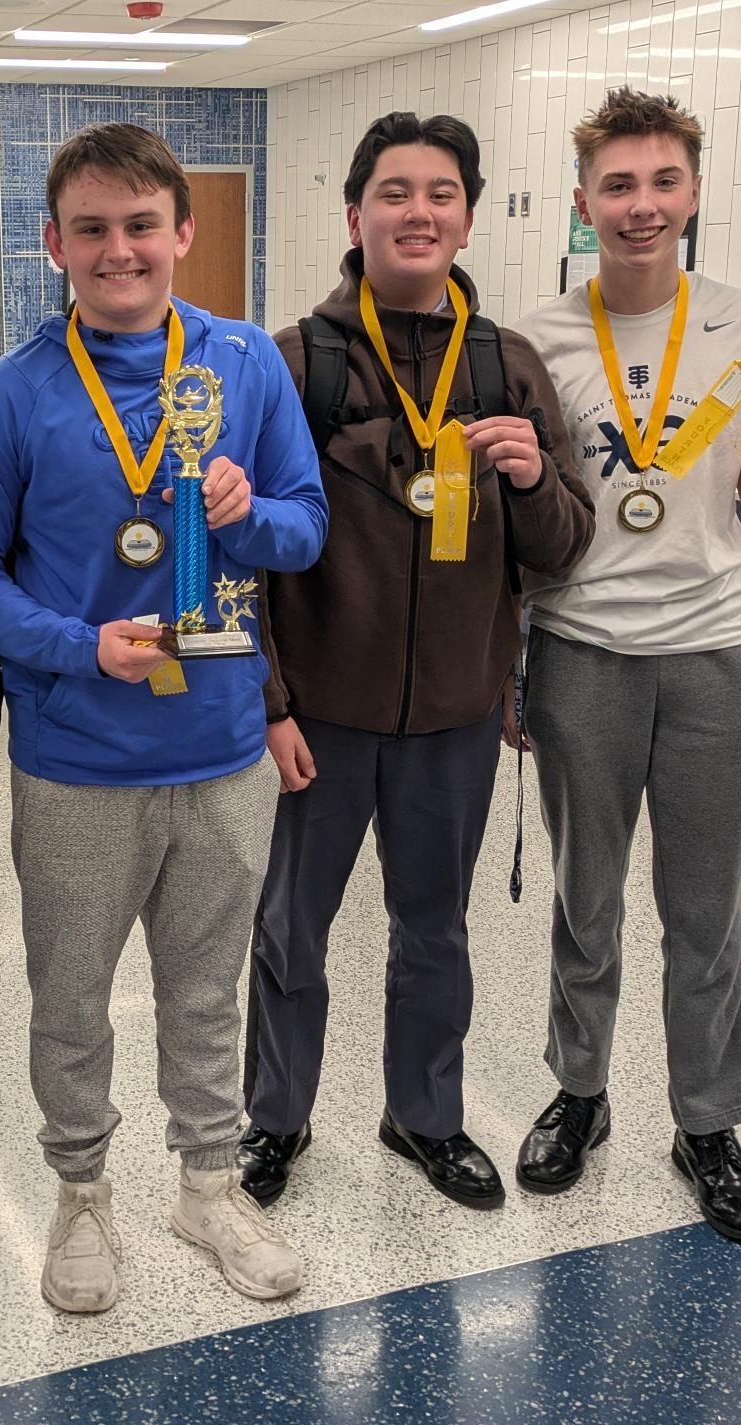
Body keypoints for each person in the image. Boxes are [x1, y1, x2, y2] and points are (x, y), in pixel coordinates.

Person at [0, 122, 328, 1314]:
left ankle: (207, 1186)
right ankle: (82, 1195)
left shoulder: (246, 364)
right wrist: (76, 647)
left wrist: (247, 508)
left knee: (209, 988)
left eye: (140, 225)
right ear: (52, 243)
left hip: (218, 749)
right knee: (69, 995)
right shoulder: (11, 395)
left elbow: (304, 528)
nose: (119, 250)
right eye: (91, 229)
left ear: (182, 232)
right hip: (77, 755)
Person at [238, 113, 594, 1211]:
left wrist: (533, 478)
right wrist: (271, 699)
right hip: (321, 716)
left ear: (467, 218)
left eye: (440, 193)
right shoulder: (289, 362)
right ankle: (275, 1118)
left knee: (432, 929)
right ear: (354, 217)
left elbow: (564, 544)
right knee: (292, 926)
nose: (418, 211)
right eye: (394, 192)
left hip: (452, 713)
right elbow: (233, 554)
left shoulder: (507, 363)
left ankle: (423, 1116)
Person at [508, 89, 741, 1243]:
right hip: (583, 652)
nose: (641, 206)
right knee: (584, 900)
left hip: (715, 657)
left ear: (691, 193)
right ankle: (576, 1094)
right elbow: (522, 520)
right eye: (618, 186)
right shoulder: (537, 337)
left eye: (662, 183)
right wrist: (510, 661)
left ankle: (705, 1122)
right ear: (584, 202)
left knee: (706, 912)